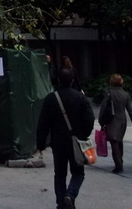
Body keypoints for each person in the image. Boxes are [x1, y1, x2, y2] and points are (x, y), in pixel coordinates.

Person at [36, 68, 95, 209]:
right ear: (73, 81)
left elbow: (43, 122)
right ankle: (71, 194)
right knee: (78, 172)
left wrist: (41, 143)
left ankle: (61, 203)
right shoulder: (80, 98)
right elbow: (90, 118)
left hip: (58, 142)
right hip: (76, 141)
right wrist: (84, 133)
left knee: (60, 174)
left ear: (58, 80)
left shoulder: (51, 98)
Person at [99, 73, 132, 173]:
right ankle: (120, 160)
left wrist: (101, 120)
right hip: (122, 120)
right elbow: (130, 110)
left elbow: (103, 107)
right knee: (119, 140)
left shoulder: (108, 92)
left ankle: (118, 164)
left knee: (114, 142)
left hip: (112, 119)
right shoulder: (125, 94)